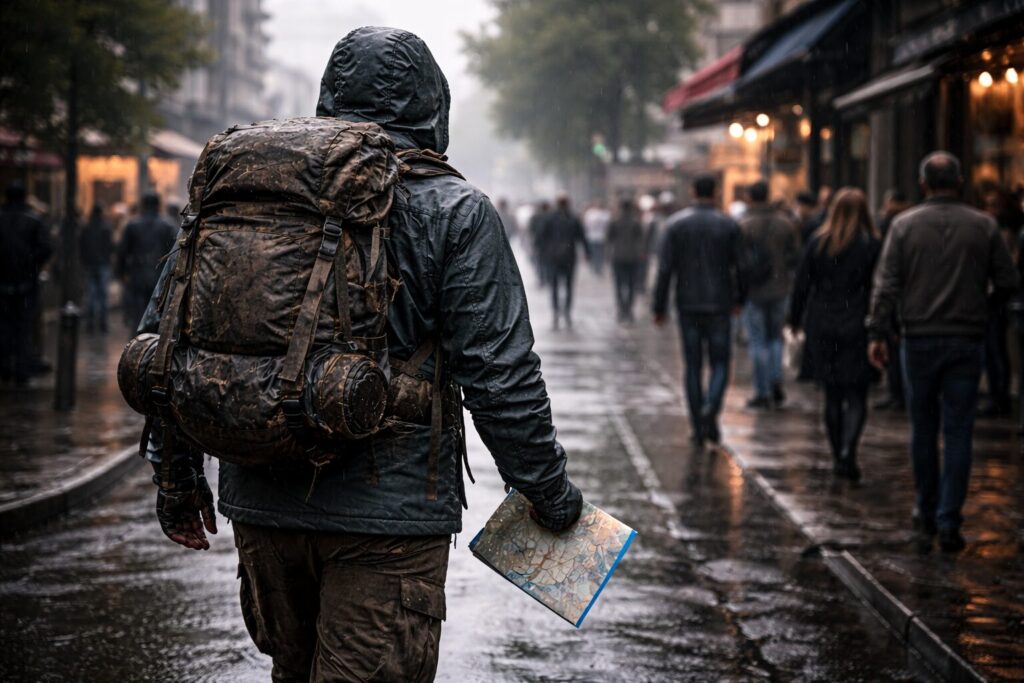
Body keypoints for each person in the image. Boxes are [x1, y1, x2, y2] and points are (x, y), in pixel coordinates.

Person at [139, 26, 583, 681]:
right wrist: (550, 496)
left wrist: (176, 478)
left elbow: (169, 342)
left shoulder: (252, 194)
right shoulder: (454, 208)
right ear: (434, 104)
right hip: (389, 520)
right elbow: (501, 376)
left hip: (261, 504)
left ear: (328, 98)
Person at [867, 151, 1018, 553]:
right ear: (960, 181)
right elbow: (1008, 281)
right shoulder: (984, 226)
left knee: (923, 427)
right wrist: (984, 307)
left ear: (922, 184)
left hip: (918, 338)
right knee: (958, 431)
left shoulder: (903, 226)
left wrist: (878, 332)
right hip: (966, 339)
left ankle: (925, 507)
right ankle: (949, 518)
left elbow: (886, 285)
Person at [789, 188, 881, 482]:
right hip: (857, 323)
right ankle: (848, 452)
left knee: (831, 394)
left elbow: (801, 285)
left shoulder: (819, 243)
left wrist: (794, 319)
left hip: (823, 323)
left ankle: (836, 453)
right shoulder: (872, 246)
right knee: (856, 394)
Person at [653, 174, 745, 446]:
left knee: (692, 365)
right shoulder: (728, 225)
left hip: (688, 303)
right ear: (715, 192)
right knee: (720, 362)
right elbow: (742, 266)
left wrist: (659, 306)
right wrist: (740, 298)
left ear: (693, 191)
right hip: (719, 303)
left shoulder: (676, 225)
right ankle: (711, 407)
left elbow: (665, 269)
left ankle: (697, 422)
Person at [740, 180, 800, 409]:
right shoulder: (785, 224)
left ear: (750, 197)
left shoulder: (744, 225)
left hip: (754, 291)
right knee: (775, 338)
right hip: (780, 288)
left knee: (757, 341)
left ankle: (761, 390)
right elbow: (794, 256)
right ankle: (775, 381)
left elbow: (738, 263)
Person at [0, 182, 52, 385]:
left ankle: (5, 368)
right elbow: (46, 248)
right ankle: (21, 369)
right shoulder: (34, 221)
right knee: (23, 328)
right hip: (26, 284)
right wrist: (32, 265)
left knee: (4, 328)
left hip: (4, 284)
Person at [873, 189, 912, 412]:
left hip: (898, 298)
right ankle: (900, 393)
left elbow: (886, 271)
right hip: (908, 297)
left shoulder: (894, 225)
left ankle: (898, 393)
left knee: (895, 347)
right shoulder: (905, 224)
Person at [116, 191, 176, 332]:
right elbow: (174, 254)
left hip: (137, 275)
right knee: (157, 310)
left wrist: (121, 273)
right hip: (159, 275)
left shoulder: (132, 225)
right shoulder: (167, 226)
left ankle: (139, 338)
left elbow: (123, 252)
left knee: (138, 312)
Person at [539, 193, 589, 330]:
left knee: (554, 286)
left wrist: (543, 253)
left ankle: (555, 311)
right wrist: (587, 253)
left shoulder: (549, 217)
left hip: (553, 257)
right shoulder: (573, 218)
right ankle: (566, 311)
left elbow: (541, 237)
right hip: (569, 257)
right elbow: (582, 236)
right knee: (568, 286)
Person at [606, 198, 646, 322]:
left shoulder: (614, 222)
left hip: (618, 256)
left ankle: (621, 308)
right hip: (633, 257)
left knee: (618, 284)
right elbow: (641, 240)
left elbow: (608, 239)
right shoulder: (636, 222)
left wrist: (608, 255)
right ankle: (628, 309)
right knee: (631, 285)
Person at [79, 205, 114, 333]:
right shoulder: (106, 227)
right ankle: (102, 323)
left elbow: (81, 246)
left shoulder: (86, 227)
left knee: (91, 295)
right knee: (103, 296)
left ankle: (90, 324)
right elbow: (110, 246)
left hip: (90, 264)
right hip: (103, 264)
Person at [581, 199, 611, 276]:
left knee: (596, 253)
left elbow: (585, 225)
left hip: (594, 236)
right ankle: (597, 267)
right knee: (598, 253)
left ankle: (596, 267)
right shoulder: (605, 214)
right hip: (599, 236)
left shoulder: (590, 214)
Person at [528, 200, 551, 286]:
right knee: (547, 262)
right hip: (549, 244)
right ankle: (547, 278)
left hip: (539, 243)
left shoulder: (535, 217)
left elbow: (531, 230)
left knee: (540, 262)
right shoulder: (550, 216)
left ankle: (542, 278)